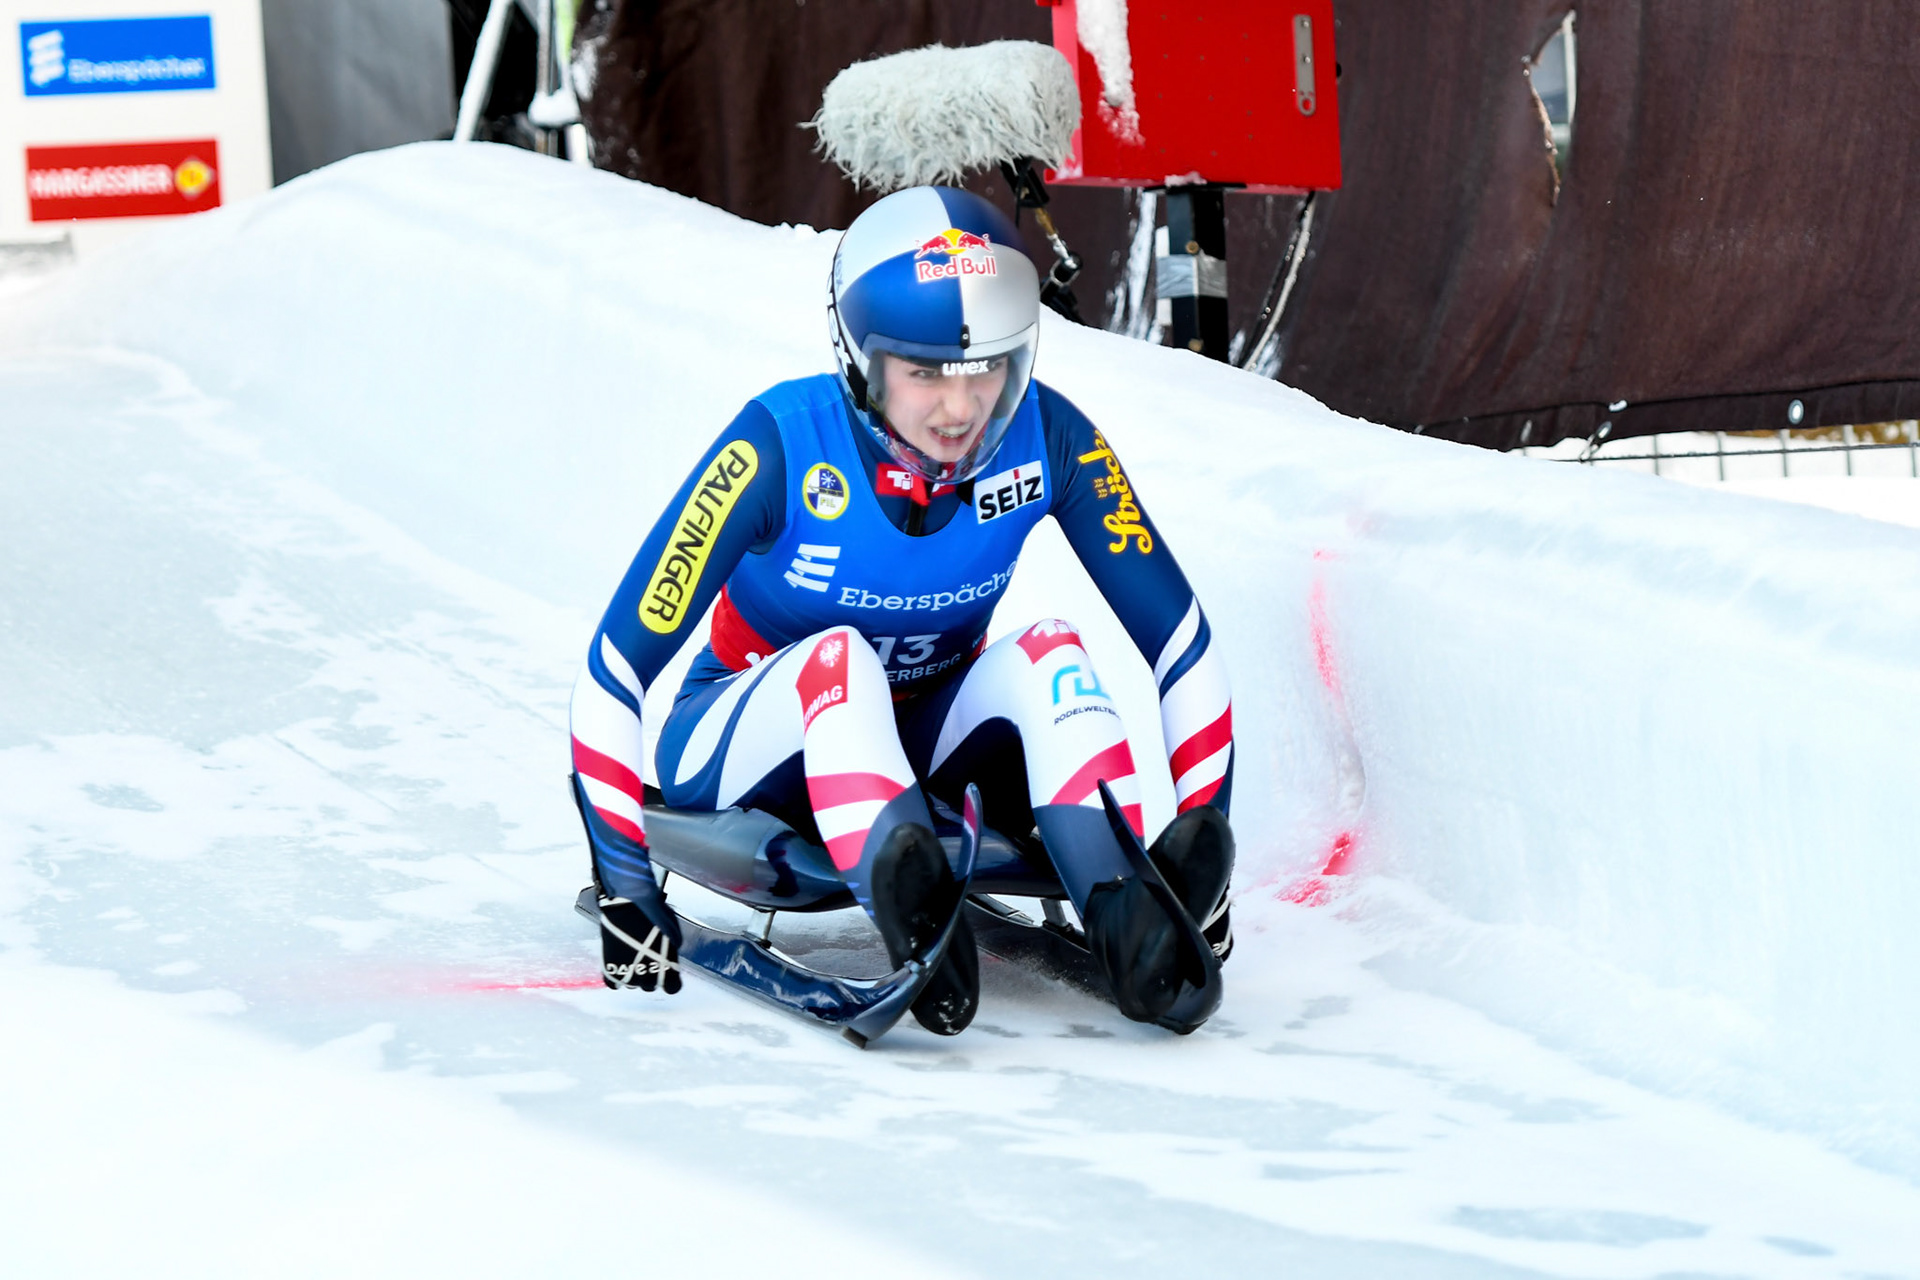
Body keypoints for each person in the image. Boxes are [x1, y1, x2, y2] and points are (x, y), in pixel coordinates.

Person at [569, 186, 1234, 1034]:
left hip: (914, 743)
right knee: (838, 659)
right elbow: (614, 668)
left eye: (985, 367)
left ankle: (1130, 909)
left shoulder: (1053, 437)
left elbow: (1179, 641)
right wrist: (626, 885)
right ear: (862, 363)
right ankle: (910, 906)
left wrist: (1204, 840)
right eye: (925, 373)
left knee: (1053, 650)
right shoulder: (776, 441)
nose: (960, 409)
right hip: (741, 741)